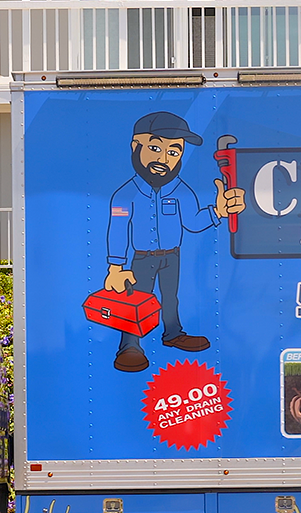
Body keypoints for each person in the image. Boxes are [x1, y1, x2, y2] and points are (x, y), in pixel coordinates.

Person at [104, 111, 245, 372]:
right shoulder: (126, 194)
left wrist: (218, 212)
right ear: (136, 146)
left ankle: (173, 334)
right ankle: (130, 346)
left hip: (172, 256)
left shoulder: (180, 190)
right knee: (136, 300)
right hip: (142, 258)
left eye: (173, 152)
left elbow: (192, 222)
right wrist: (115, 267)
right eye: (155, 147)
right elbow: (118, 229)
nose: (163, 159)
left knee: (170, 298)